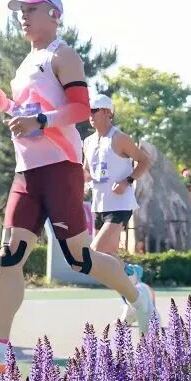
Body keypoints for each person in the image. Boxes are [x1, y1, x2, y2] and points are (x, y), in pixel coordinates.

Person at [0, 0, 158, 378]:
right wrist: (7, 107)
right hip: (26, 171)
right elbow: (30, 113)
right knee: (10, 255)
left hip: (60, 168)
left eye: (31, 9)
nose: (23, 16)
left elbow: (79, 109)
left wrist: (41, 120)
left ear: (54, 14)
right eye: (20, 11)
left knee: (80, 259)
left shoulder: (63, 55)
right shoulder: (25, 64)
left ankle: (137, 295)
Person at [82, 93, 155, 326]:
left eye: (94, 110)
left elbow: (145, 161)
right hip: (99, 205)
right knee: (106, 263)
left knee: (95, 253)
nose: (89, 115)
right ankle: (132, 299)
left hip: (120, 205)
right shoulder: (88, 142)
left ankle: (131, 275)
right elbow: (87, 171)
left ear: (107, 112)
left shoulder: (120, 138)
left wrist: (127, 181)